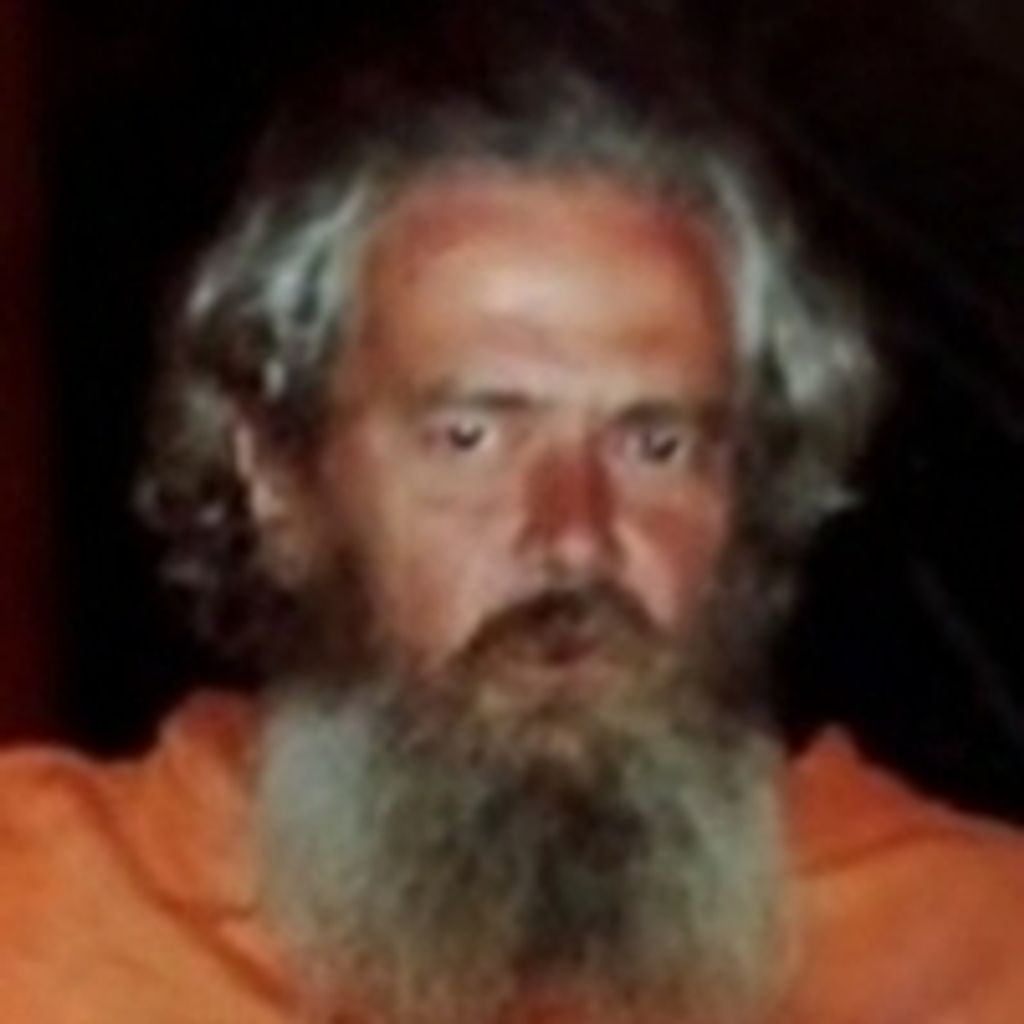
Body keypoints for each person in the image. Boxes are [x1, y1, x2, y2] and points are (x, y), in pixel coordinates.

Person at [3, 65, 1024, 1024]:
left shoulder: (976, 946)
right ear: (278, 477)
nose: (574, 538)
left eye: (655, 445)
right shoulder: (41, 921)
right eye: (470, 437)